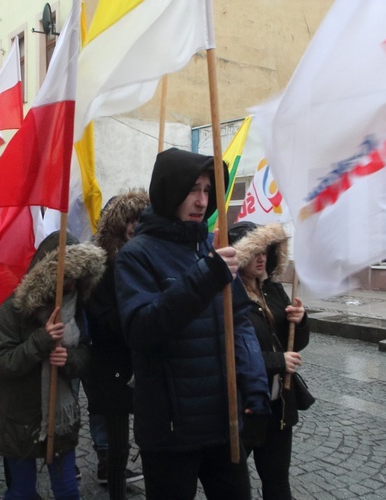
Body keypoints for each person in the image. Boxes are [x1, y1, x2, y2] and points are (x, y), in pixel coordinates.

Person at [114, 148, 270, 500]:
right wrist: (204, 277)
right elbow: (142, 329)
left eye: (207, 190)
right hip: (171, 430)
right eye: (192, 190)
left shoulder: (209, 251)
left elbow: (240, 323)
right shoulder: (136, 255)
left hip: (223, 422)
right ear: (170, 190)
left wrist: (255, 386)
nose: (202, 201)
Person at [0, 231, 104, 500]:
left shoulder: (77, 308)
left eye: (77, 276)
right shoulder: (13, 309)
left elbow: (85, 353)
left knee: (67, 490)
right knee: (23, 491)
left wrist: (69, 360)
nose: (72, 283)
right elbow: (2, 363)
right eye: (67, 275)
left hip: (60, 418)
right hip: (19, 418)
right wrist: (41, 340)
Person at [229, 221, 310, 500]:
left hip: (278, 404)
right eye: (254, 251)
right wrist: (276, 361)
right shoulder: (227, 295)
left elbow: (294, 343)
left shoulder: (272, 289)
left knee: (277, 481)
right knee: (234, 484)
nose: (261, 257)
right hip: (244, 404)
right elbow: (229, 353)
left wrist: (299, 322)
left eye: (265, 251)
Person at [83, 189, 149, 497]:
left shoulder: (149, 259)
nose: (135, 225)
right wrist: (135, 318)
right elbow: (99, 318)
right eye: (129, 219)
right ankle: (115, 484)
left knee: (150, 433)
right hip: (112, 362)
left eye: (140, 218)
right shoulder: (102, 265)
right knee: (117, 442)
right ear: (118, 223)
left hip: (145, 361)